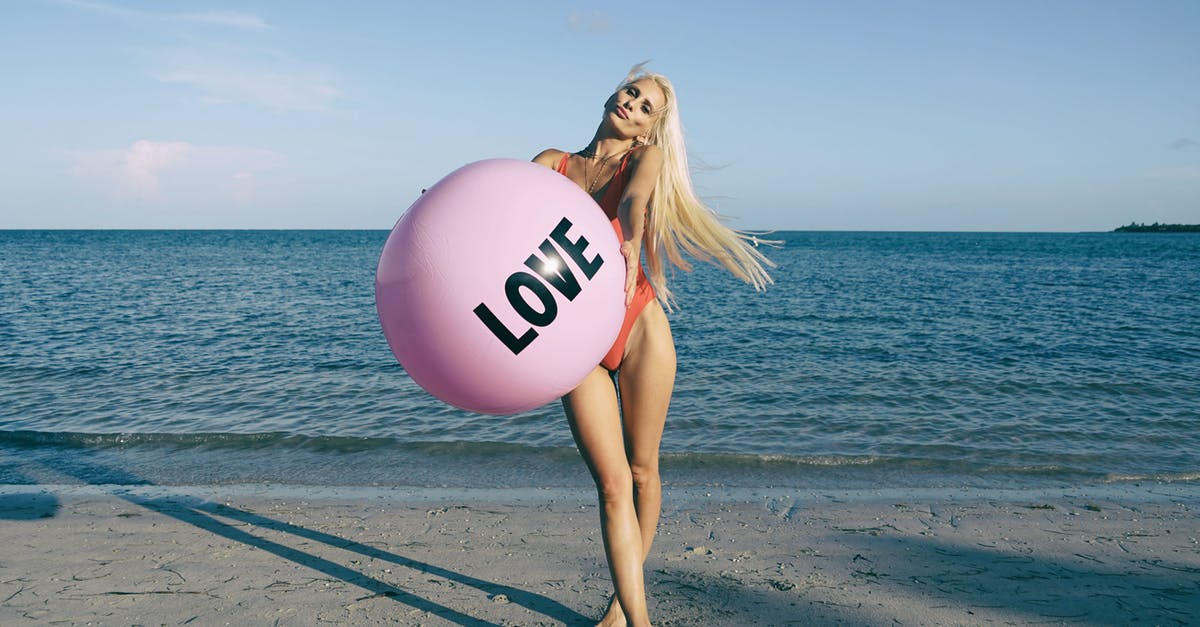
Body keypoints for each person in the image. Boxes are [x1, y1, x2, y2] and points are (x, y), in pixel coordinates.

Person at [532, 63, 775, 627]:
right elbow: (505, 218)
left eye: (648, 109)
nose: (634, 106)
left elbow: (633, 200)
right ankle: (640, 621)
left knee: (642, 472)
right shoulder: (551, 164)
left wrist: (633, 232)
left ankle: (623, 610)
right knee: (612, 485)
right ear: (614, 91)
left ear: (650, 129)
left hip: (637, 325)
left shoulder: (645, 158)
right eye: (632, 93)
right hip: (574, 340)